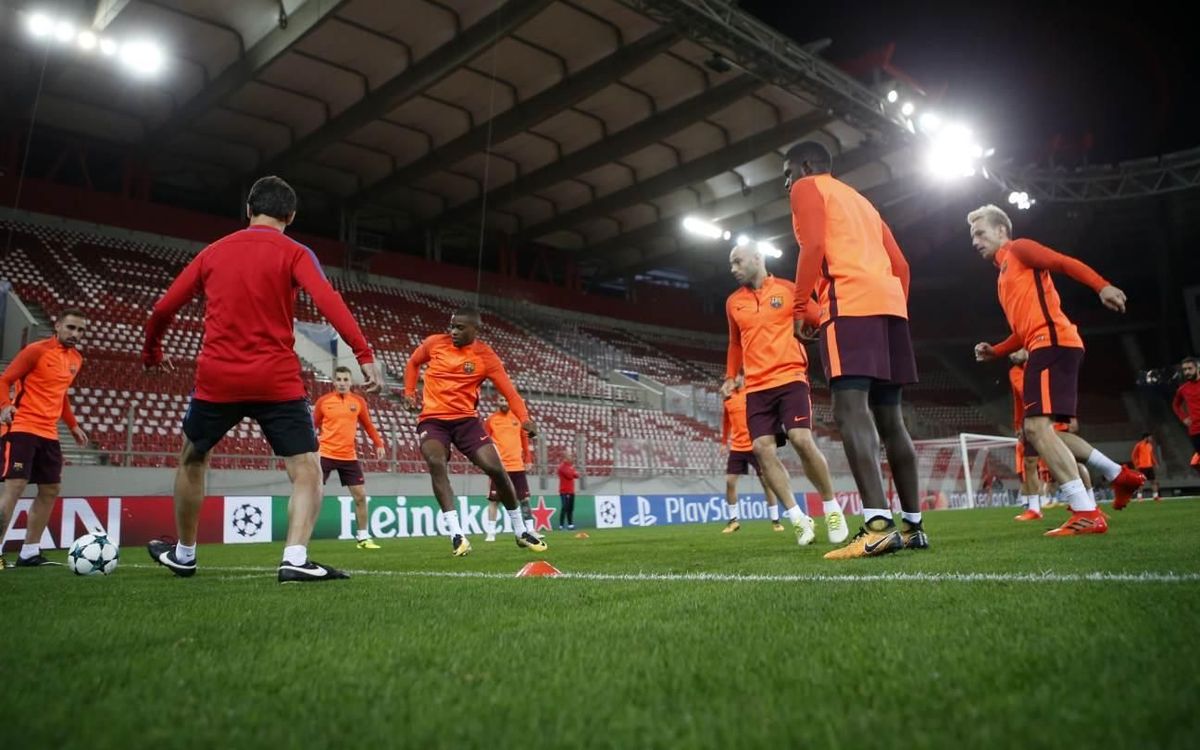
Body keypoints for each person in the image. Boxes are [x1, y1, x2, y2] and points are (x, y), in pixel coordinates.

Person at [142, 175, 383, 582]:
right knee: (306, 467)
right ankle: (294, 558)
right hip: (276, 379)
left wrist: (152, 352)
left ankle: (184, 554)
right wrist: (364, 353)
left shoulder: (213, 252)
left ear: (248, 210)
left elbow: (163, 309)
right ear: (290, 215)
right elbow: (328, 299)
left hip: (218, 378)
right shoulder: (295, 252)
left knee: (192, 457)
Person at [968, 203, 1144, 536]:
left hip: (1052, 344)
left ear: (1001, 230)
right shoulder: (1003, 275)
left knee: (1035, 429)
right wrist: (997, 350)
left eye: (980, 233)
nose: (975, 241)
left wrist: (1101, 286)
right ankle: (1119, 475)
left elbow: (1063, 262)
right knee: (1050, 433)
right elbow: (1022, 330)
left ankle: (1086, 511)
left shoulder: (1019, 249)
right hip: (1046, 345)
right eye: (972, 235)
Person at [786, 141, 925, 559]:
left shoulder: (808, 187)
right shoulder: (862, 201)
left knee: (850, 411)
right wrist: (892, 305)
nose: (786, 181)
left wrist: (798, 307)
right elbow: (901, 266)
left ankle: (878, 525)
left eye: (788, 171)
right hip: (889, 306)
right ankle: (914, 527)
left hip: (849, 303)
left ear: (807, 165)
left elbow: (811, 247)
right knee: (891, 419)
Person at [721, 242, 845, 548]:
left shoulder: (791, 291)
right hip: (756, 387)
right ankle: (797, 518)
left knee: (801, 438)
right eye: (731, 264)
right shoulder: (733, 303)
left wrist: (823, 332)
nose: (733, 269)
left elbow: (822, 318)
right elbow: (735, 343)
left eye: (738, 262)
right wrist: (730, 376)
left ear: (758, 258)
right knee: (763, 450)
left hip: (790, 377)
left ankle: (831, 509)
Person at [404, 307, 546, 556]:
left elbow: (510, 393)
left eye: (460, 327)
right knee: (436, 461)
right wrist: (409, 393)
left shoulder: (485, 356)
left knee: (495, 468)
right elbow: (413, 363)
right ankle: (457, 534)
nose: (453, 331)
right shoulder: (434, 343)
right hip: (433, 420)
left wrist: (525, 419)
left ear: (475, 330)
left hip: (466, 422)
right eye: (452, 326)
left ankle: (520, 530)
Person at [0, 309, 90, 569]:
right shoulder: (36, 350)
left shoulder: (76, 359)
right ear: (58, 325)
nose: (75, 334)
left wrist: (72, 425)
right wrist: (5, 406)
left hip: (49, 432)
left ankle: (30, 552)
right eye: (71, 328)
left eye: (80, 330)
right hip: (23, 427)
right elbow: (5, 380)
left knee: (50, 489)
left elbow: (61, 394)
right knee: (15, 487)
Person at [314, 365, 387, 549]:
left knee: (361, 496)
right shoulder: (323, 401)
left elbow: (368, 426)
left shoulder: (358, 402)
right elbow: (311, 427)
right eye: (339, 379)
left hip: (348, 456)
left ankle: (363, 538)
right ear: (334, 381)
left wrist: (379, 444)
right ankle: (300, 539)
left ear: (350, 382)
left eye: (345, 380)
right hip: (325, 454)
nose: (342, 383)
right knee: (312, 496)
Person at [720, 376, 785, 533]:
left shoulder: (751, 394)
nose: (734, 379)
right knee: (729, 482)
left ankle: (776, 521)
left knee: (766, 482)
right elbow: (726, 422)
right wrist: (723, 442)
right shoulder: (728, 399)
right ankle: (733, 521)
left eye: (737, 376)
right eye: (731, 377)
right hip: (737, 447)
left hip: (754, 444)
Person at [483, 396, 532, 541]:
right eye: (501, 400)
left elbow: (524, 439)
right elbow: (485, 443)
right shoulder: (491, 420)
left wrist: (528, 458)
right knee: (493, 501)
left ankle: (530, 529)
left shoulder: (518, 419)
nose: (504, 403)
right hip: (500, 467)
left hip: (517, 466)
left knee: (524, 499)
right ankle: (491, 532)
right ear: (496, 401)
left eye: (506, 400)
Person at [1008, 350, 1046, 521]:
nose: (1011, 355)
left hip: (1052, 415)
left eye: (1015, 351)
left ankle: (1087, 503)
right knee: (1029, 463)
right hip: (1030, 418)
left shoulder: (1043, 362)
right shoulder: (1015, 371)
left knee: (1072, 459)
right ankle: (1034, 508)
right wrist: (1018, 424)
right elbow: (1019, 397)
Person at [1173, 357, 1200, 462]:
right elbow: (1175, 405)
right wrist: (1183, 418)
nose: (1187, 372)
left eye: (1190, 368)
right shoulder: (1182, 389)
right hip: (1195, 432)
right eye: (1184, 369)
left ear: (1197, 368)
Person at [1129, 432, 1160, 503]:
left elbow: (1151, 455)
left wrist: (1155, 463)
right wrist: (1136, 465)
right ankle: (1139, 497)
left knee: (1153, 481)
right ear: (1146, 438)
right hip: (1142, 467)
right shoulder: (1139, 445)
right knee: (1141, 483)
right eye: (1150, 437)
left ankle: (1155, 496)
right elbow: (1133, 455)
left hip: (1150, 466)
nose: (1151, 439)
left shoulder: (1150, 445)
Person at [557, 451, 579, 531]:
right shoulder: (562, 467)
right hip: (564, 491)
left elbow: (577, 475)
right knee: (564, 508)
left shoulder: (570, 467)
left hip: (571, 491)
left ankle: (570, 525)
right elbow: (570, 475)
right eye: (570, 456)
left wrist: (573, 472)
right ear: (565, 458)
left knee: (570, 508)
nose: (571, 458)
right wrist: (573, 472)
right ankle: (561, 525)